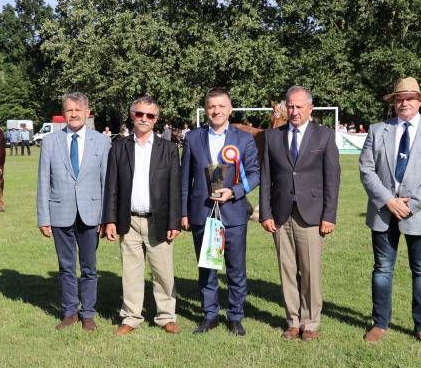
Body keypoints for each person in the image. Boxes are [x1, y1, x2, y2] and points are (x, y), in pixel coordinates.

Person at [359, 77, 421, 346]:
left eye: (410, 98)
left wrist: (410, 205)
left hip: (419, 213)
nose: (404, 103)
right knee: (382, 269)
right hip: (383, 211)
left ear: (419, 100)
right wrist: (389, 200)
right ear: (393, 102)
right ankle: (380, 323)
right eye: (399, 99)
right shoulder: (377, 130)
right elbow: (366, 169)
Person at [259, 86, 340, 341]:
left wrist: (329, 216)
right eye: (290, 106)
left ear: (310, 108)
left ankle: (311, 322)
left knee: (310, 271)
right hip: (280, 214)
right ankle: (293, 321)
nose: (294, 112)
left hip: (312, 214)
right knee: (287, 270)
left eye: (299, 107)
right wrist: (265, 213)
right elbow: (265, 177)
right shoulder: (272, 137)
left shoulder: (324, 136)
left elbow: (332, 179)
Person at [181, 88, 260, 336]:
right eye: (212, 106)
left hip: (233, 213)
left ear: (230, 109)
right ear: (206, 110)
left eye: (221, 106)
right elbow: (185, 179)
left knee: (236, 269)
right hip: (202, 212)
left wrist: (234, 192)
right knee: (207, 268)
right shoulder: (192, 138)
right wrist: (183, 213)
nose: (216, 111)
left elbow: (255, 174)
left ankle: (235, 316)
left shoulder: (244, 139)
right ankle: (210, 315)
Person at [103, 96, 181, 335]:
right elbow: (111, 186)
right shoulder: (119, 147)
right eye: (139, 114)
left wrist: (174, 221)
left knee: (163, 272)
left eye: (149, 115)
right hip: (129, 220)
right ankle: (131, 317)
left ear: (156, 119)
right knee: (131, 273)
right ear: (132, 116)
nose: (144, 119)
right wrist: (110, 219)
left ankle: (166, 316)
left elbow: (175, 188)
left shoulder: (168, 149)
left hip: (159, 220)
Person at [36, 92, 111, 331]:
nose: (74, 114)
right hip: (60, 213)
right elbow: (43, 182)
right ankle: (70, 312)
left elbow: (107, 182)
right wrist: (43, 218)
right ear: (63, 113)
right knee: (66, 267)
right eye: (70, 110)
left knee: (89, 268)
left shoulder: (102, 142)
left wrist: (106, 218)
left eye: (79, 110)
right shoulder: (50, 142)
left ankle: (88, 313)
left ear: (88, 113)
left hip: (91, 214)